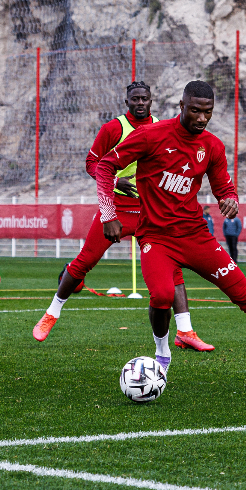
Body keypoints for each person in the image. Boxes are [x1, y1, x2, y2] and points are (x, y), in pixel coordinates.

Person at [94, 80, 246, 388]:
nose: (202, 118)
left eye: (208, 112)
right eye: (195, 110)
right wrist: (108, 214)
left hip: (197, 237)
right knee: (163, 295)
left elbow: (223, 186)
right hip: (157, 238)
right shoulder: (150, 135)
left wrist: (229, 199)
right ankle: (162, 354)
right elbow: (104, 166)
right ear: (181, 106)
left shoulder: (212, 146)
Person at [32, 82, 210, 351]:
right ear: (126, 102)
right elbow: (93, 164)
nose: (140, 103)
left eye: (145, 99)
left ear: (152, 101)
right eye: (135, 99)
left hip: (152, 212)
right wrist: (115, 182)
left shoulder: (165, 127)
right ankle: (51, 313)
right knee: (85, 260)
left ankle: (185, 330)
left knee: (173, 268)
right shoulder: (113, 129)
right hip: (118, 208)